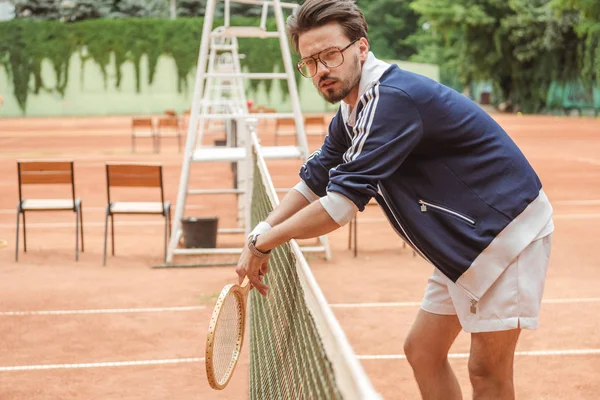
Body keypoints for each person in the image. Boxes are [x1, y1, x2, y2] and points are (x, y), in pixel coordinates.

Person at [235, 1, 554, 399]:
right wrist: (260, 231)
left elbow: (338, 207)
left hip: (506, 232)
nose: (321, 70)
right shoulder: (351, 113)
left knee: (487, 371)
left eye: (330, 54)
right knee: (423, 351)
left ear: (362, 48)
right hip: (459, 240)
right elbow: (313, 182)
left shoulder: (394, 99)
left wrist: (263, 244)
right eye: (310, 62)